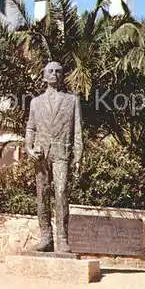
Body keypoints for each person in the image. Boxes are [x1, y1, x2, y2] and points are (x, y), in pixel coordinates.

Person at [25, 61, 83, 252]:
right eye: (50, 71)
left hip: (61, 153)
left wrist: (78, 156)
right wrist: (29, 148)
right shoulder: (36, 102)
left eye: (58, 71)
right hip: (41, 155)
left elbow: (77, 130)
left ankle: (62, 238)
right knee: (42, 195)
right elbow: (30, 128)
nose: (54, 74)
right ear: (44, 76)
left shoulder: (72, 100)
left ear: (62, 75)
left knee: (61, 193)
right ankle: (45, 236)